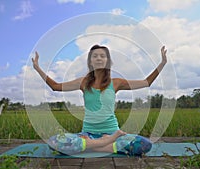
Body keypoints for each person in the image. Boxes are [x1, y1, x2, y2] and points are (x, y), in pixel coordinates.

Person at [32, 44, 167, 156]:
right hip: (87, 135)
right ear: (90, 61)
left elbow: (146, 82)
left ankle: (91, 147)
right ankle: (103, 145)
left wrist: (162, 63)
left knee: (145, 144)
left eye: (102, 56)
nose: (98, 58)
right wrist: (38, 68)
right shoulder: (83, 82)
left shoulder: (116, 83)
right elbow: (55, 87)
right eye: (95, 56)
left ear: (107, 61)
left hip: (113, 133)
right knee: (54, 142)